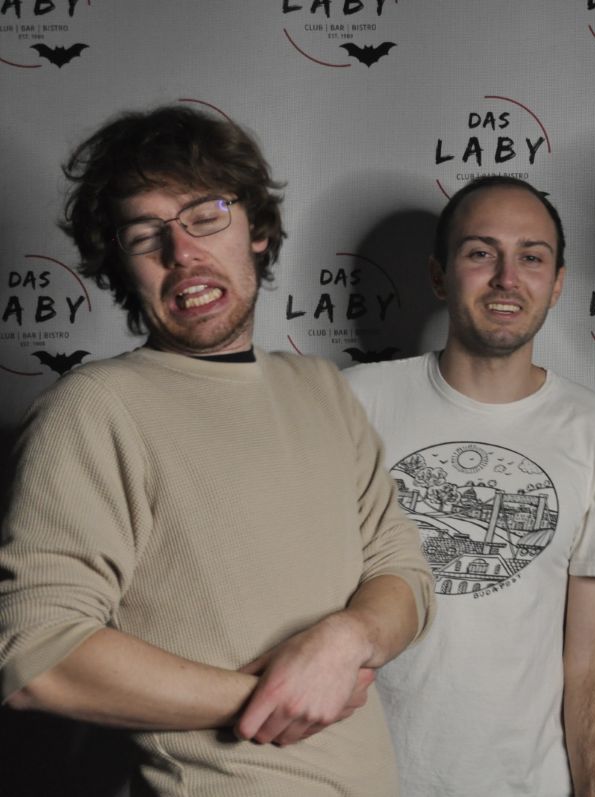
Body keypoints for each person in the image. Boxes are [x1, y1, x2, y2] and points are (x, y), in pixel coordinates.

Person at [0, 105, 434, 795]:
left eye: (206, 216)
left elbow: (402, 571)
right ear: (123, 265)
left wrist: (346, 637)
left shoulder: (321, 387)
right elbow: (37, 655)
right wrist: (267, 697)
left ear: (257, 230)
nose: (181, 253)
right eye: (146, 235)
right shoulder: (94, 407)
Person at [344, 176, 595, 796]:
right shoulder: (354, 401)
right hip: (361, 779)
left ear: (556, 283)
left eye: (531, 257)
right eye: (481, 253)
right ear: (439, 275)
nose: (507, 278)